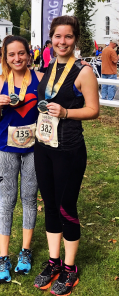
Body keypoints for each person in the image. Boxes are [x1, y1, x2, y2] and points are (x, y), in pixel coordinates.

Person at [34, 15, 99, 296]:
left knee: (65, 207)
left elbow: (94, 110)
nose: (62, 42)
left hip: (69, 150)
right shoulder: (48, 67)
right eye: (58, 36)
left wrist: (67, 112)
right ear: (51, 38)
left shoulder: (84, 71)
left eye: (68, 37)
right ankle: (54, 262)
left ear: (76, 40)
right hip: (43, 146)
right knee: (49, 205)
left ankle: (70, 269)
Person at [0, 35, 43, 284]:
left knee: (30, 199)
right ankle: (3, 257)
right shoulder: (0, 81)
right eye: (11, 54)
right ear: (6, 56)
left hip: (34, 149)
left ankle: (25, 251)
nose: (17, 58)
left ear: (28, 54)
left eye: (21, 53)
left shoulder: (40, 79)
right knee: (6, 201)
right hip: (6, 150)